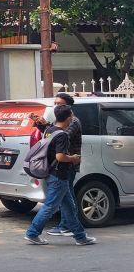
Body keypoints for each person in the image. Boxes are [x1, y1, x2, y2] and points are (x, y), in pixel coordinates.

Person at [25, 105, 96, 246]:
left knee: (69, 207)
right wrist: (73, 158)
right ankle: (32, 233)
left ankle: (81, 237)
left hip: (53, 174)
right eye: (72, 115)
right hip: (59, 175)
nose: (73, 118)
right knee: (50, 206)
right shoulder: (62, 135)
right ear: (68, 117)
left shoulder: (50, 131)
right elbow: (60, 156)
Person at [48, 92, 83, 237]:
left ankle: (66, 225)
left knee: (66, 196)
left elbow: (60, 137)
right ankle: (69, 226)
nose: (56, 106)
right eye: (55, 104)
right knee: (66, 196)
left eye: (59, 104)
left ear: (68, 107)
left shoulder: (73, 122)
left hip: (68, 164)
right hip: (61, 164)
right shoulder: (61, 122)